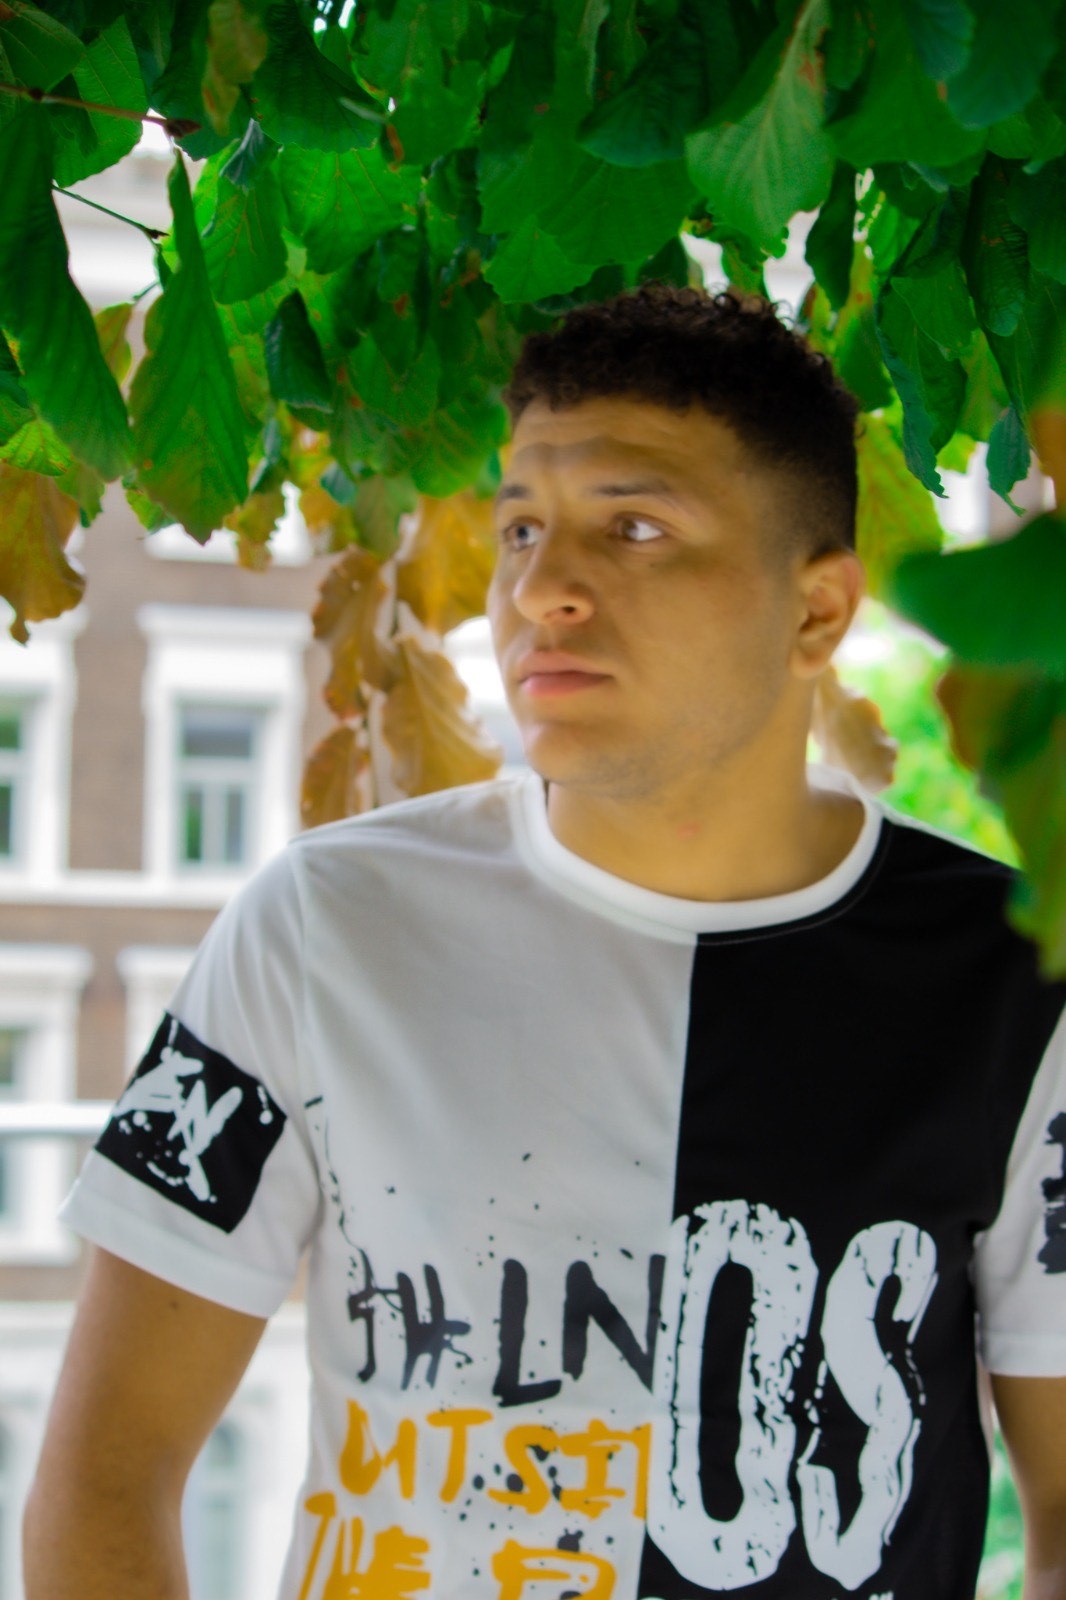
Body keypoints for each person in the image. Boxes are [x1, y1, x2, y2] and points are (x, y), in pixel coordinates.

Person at [24, 285, 1066, 1600]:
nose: (540, 590)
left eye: (634, 528)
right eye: (521, 528)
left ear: (814, 612)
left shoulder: (1016, 976)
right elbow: (110, 1471)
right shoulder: (322, 924)